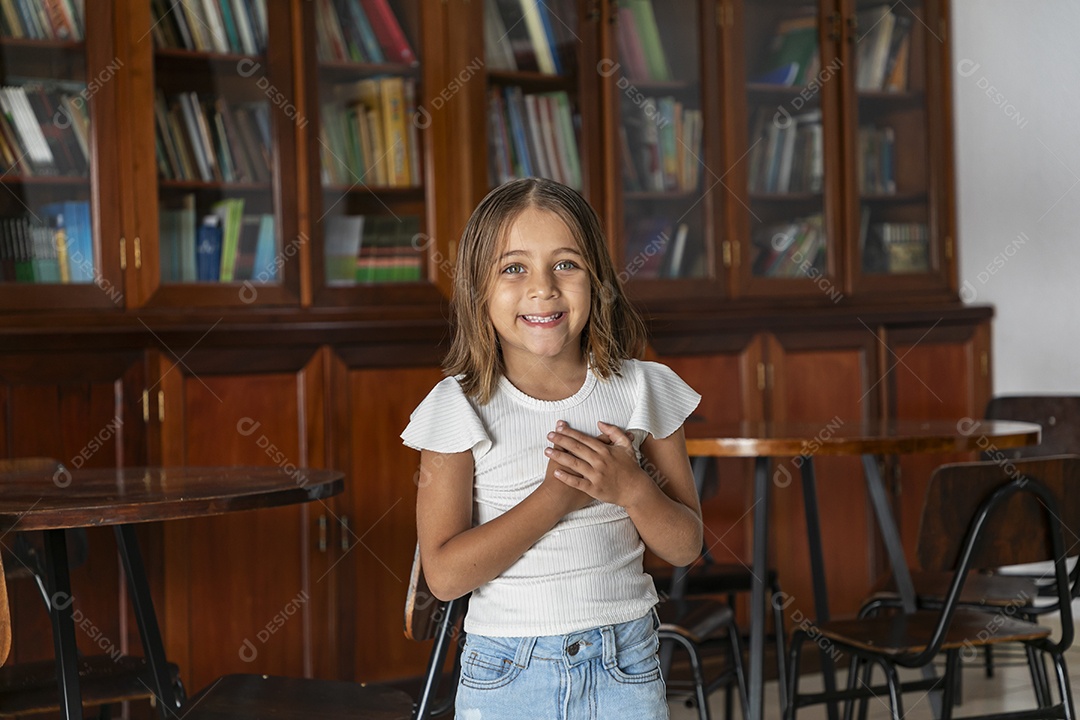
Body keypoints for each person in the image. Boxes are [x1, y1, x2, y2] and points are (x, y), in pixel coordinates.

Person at [401, 177, 703, 719]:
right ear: (478, 287)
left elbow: (685, 546)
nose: (543, 288)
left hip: (626, 663)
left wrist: (632, 487)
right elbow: (444, 578)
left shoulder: (641, 389)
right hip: (507, 672)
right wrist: (555, 499)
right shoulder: (457, 405)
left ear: (598, 280)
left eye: (566, 264)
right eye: (514, 268)